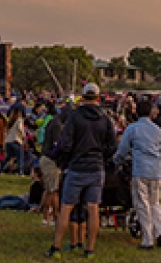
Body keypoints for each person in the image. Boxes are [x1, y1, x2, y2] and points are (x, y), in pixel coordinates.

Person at [49, 84, 117, 258]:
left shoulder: (74, 117)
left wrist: (68, 157)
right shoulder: (104, 119)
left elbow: (65, 143)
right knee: (93, 208)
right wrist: (102, 156)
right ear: (98, 97)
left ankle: (56, 247)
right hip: (96, 167)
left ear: (82, 97)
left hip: (77, 166)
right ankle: (90, 249)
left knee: (66, 208)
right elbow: (113, 145)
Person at [115, 97, 161, 250]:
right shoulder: (157, 130)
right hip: (156, 170)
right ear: (150, 113)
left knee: (142, 204)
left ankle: (147, 239)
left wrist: (117, 161)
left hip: (141, 169)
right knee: (155, 202)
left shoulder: (133, 129)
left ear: (136, 113)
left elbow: (123, 149)